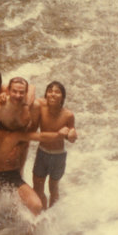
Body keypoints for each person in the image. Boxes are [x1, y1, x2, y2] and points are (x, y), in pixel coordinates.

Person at [31, 81, 77, 209]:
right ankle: (42, 213)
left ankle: (52, 215)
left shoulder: (68, 115)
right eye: (50, 91)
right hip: (42, 152)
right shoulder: (40, 106)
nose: (53, 94)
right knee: (37, 187)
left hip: (58, 156)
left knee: (53, 188)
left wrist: (72, 134)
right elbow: (28, 97)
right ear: (46, 94)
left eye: (57, 92)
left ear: (62, 97)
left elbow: (72, 136)